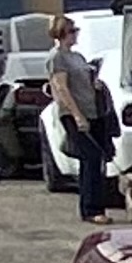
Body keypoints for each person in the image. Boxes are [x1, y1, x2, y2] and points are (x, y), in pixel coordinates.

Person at [46, 14, 114, 225]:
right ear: (62, 33)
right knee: (91, 157)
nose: (76, 35)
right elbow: (61, 87)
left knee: (97, 160)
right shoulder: (57, 58)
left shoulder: (78, 57)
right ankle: (90, 208)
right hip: (75, 114)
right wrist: (77, 115)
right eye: (72, 31)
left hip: (93, 112)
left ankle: (96, 206)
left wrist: (96, 86)